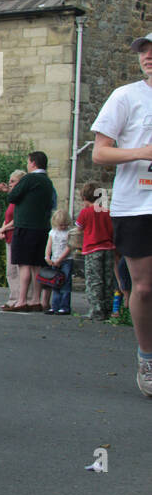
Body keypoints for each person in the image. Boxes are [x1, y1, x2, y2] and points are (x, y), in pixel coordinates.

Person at [91, 33, 152, 396]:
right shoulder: (126, 96)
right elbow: (100, 153)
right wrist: (143, 151)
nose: (147, 56)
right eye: (144, 50)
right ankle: (147, 358)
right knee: (144, 287)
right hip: (137, 204)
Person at [0, 152, 56, 312]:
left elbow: (14, 196)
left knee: (24, 265)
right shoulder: (47, 182)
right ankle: (35, 300)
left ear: (33, 163)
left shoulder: (29, 179)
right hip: (42, 227)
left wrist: (10, 192)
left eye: (28, 162)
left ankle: (22, 300)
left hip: (25, 226)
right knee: (36, 266)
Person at [75, 181, 115, 320]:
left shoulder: (85, 212)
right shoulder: (107, 212)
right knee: (108, 279)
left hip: (92, 249)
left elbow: (79, 228)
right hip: (108, 248)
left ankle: (96, 310)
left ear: (85, 198)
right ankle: (108, 310)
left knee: (94, 280)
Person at [0, 170, 25, 301]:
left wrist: (3, 228)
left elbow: (17, 219)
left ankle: (20, 298)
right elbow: (8, 217)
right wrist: (3, 229)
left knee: (18, 270)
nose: (10, 184)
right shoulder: (13, 199)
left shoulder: (22, 199)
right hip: (9, 237)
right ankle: (14, 297)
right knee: (11, 270)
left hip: (17, 236)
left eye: (13, 182)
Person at [43, 207, 73, 315]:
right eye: (61, 225)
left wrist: (60, 259)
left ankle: (64, 306)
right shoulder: (52, 232)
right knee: (55, 283)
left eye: (65, 225)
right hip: (55, 260)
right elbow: (49, 245)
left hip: (66, 260)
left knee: (65, 283)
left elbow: (69, 247)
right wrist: (47, 256)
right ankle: (55, 306)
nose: (63, 227)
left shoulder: (69, 233)